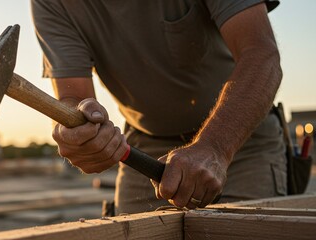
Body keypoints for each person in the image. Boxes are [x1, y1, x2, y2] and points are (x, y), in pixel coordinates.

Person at [31, 0, 285, 214]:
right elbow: (73, 99)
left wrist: (215, 148)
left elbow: (261, 53)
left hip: (240, 140)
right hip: (145, 149)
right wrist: (77, 134)